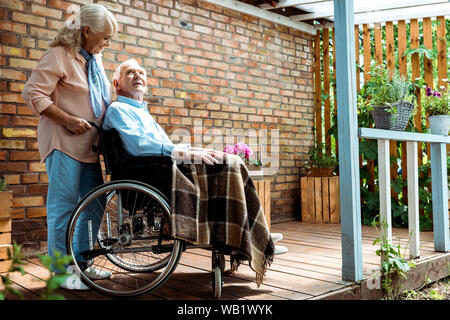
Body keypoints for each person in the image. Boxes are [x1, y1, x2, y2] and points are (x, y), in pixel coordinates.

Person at [103, 60, 278, 285]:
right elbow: (140, 146)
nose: (138, 76)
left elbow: (164, 147)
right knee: (229, 163)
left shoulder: (142, 113)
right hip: (151, 175)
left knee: (228, 161)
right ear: (117, 84)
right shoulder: (119, 110)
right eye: (131, 73)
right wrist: (188, 154)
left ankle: (245, 233)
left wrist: (195, 151)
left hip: (159, 168)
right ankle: (239, 235)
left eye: (142, 72)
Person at [21, 4, 118, 290]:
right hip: (63, 142)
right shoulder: (59, 55)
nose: (107, 43)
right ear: (86, 31)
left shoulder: (95, 60)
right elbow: (32, 93)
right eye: (104, 37)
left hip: (89, 145)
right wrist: (67, 120)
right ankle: (61, 273)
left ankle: (82, 264)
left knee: (94, 202)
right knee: (63, 207)